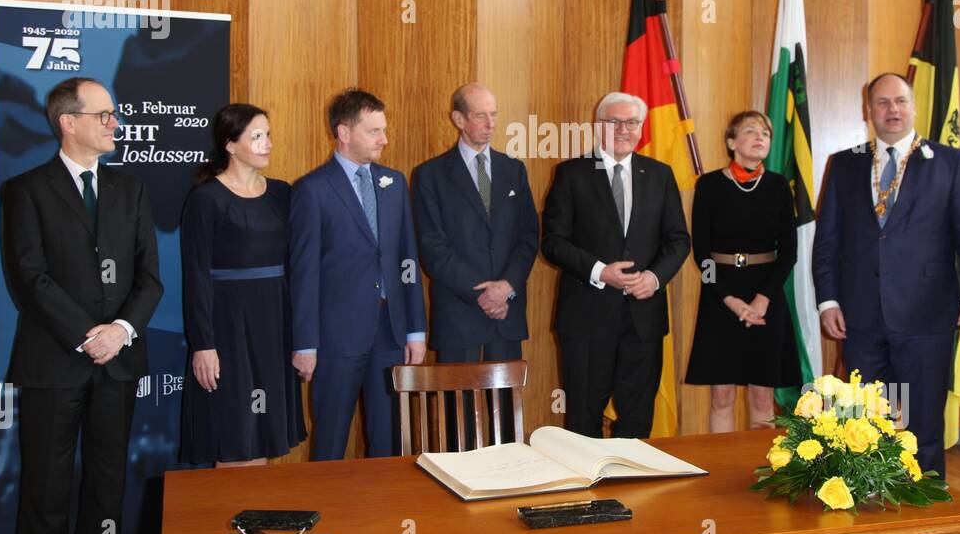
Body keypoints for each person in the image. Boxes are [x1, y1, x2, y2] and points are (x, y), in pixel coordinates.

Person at [811, 72, 960, 534]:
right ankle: (870, 519)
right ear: (867, 110)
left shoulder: (950, 163)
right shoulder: (844, 165)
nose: (893, 109)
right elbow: (827, 241)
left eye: (901, 101)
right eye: (882, 102)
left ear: (914, 108)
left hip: (928, 317)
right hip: (861, 318)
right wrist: (828, 301)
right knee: (864, 421)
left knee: (921, 427)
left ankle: (920, 526)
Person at [0, 77, 163, 534]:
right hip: (53, 361)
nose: (116, 123)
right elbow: (30, 278)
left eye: (114, 115)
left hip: (119, 362)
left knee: (106, 482)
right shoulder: (25, 190)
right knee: (46, 486)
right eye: (104, 115)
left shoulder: (129, 189)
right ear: (68, 122)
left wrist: (120, 331)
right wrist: (89, 334)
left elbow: (149, 278)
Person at [540, 92, 691, 439]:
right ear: (599, 126)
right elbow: (553, 242)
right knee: (582, 420)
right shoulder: (571, 173)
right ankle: (587, 492)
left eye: (632, 122)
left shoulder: (659, 174)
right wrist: (599, 271)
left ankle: (632, 491)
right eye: (614, 121)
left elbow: (678, 240)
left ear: (641, 128)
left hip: (644, 319)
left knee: (638, 421)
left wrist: (655, 277)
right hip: (586, 319)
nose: (623, 129)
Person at [289, 89, 426, 459]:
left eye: (384, 129)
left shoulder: (394, 183)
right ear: (344, 133)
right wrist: (305, 343)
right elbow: (303, 274)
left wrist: (415, 330)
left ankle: (383, 516)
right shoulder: (311, 190)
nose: (384, 139)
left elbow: (406, 261)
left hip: (390, 335)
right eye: (374, 131)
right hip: (335, 340)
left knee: (389, 442)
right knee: (330, 441)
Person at [178, 104, 306, 467]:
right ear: (230, 145)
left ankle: (252, 517)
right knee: (235, 433)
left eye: (268, 135)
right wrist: (204, 345)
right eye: (256, 137)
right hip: (228, 328)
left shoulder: (282, 193)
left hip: (274, 324)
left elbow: (301, 263)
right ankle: (233, 520)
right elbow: (196, 275)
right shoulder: (206, 198)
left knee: (264, 434)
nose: (267, 144)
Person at [412, 83, 538, 446]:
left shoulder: (513, 170)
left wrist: (506, 288)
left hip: (507, 314)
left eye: (494, 114)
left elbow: (529, 235)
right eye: (481, 115)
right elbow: (432, 246)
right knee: (458, 423)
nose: (490, 123)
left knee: (505, 420)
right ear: (458, 119)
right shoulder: (430, 175)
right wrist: (481, 293)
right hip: (460, 312)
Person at [685, 111, 798, 431]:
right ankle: (723, 471)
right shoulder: (708, 185)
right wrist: (729, 299)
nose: (760, 136)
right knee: (721, 396)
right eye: (751, 131)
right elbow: (702, 257)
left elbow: (789, 254)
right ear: (732, 142)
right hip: (720, 295)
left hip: (767, 294)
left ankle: (761, 475)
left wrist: (763, 299)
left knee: (763, 397)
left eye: (765, 132)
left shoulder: (778, 187)